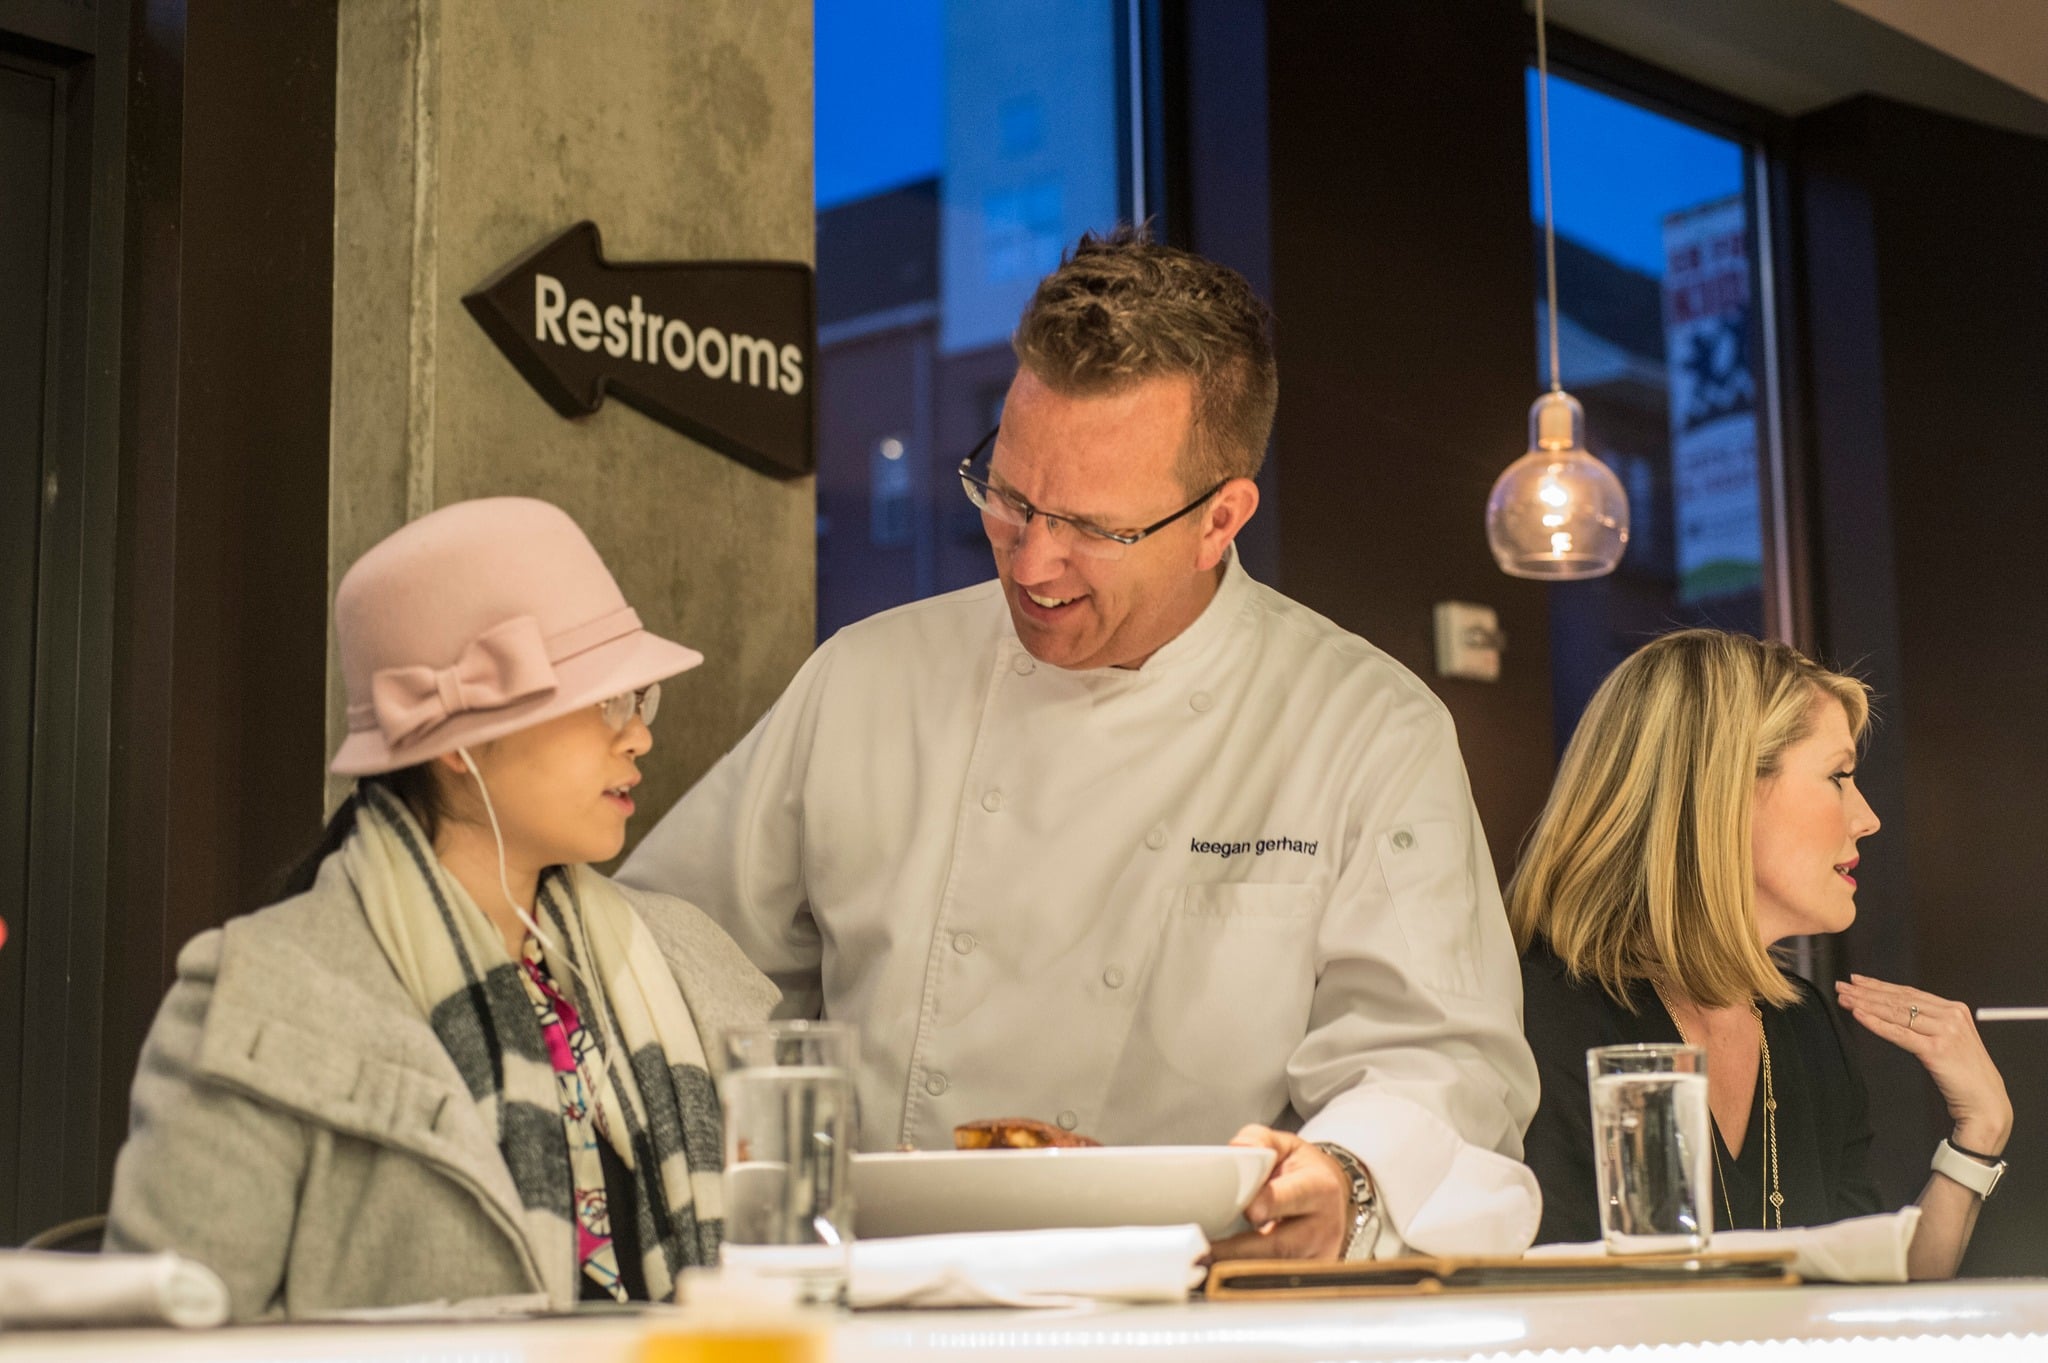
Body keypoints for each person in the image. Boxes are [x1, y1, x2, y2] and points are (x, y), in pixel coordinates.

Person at [621, 228, 1541, 1261]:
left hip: (1185, 1314)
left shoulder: (1363, 728)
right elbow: (672, 957)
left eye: (1095, 527)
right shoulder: (865, 678)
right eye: (1008, 497)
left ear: (1218, 519)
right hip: (879, 1295)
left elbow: (1431, 1064)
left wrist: (1344, 1179)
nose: (1032, 559)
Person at [105, 498, 776, 1318]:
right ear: (457, 742)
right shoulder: (261, 993)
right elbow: (152, 1341)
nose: (637, 736)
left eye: (641, 699)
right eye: (607, 702)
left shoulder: (682, 964)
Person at [1511, 629, 2011, 1277]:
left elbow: (1869, 1302)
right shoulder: (1528, 1022)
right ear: (1720, 791)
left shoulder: (1804, 1026)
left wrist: (1980, 1131)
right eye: (1838, 776)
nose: (1867, 817)